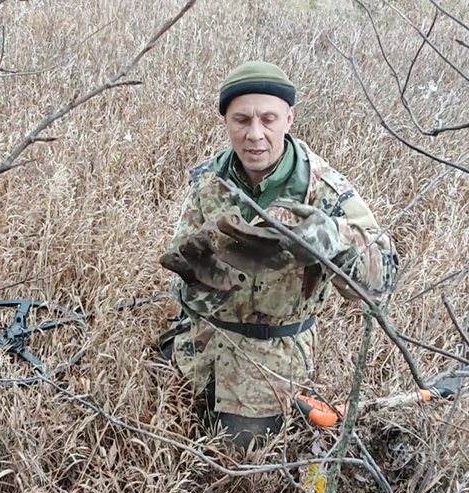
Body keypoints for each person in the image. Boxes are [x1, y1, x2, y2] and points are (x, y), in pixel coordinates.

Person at [158, 61, 398, 450]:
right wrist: (197, 273)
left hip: (270, 358)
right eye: (242, 120)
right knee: (153, 417)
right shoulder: (209, 181)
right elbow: (179, 279)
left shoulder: (322, 188)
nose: (255, 134)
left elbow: (384, 276)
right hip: (200, 343)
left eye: (268, 119)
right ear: (226, 123)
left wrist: (333, 239)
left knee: (239, 457)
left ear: (289, 118)